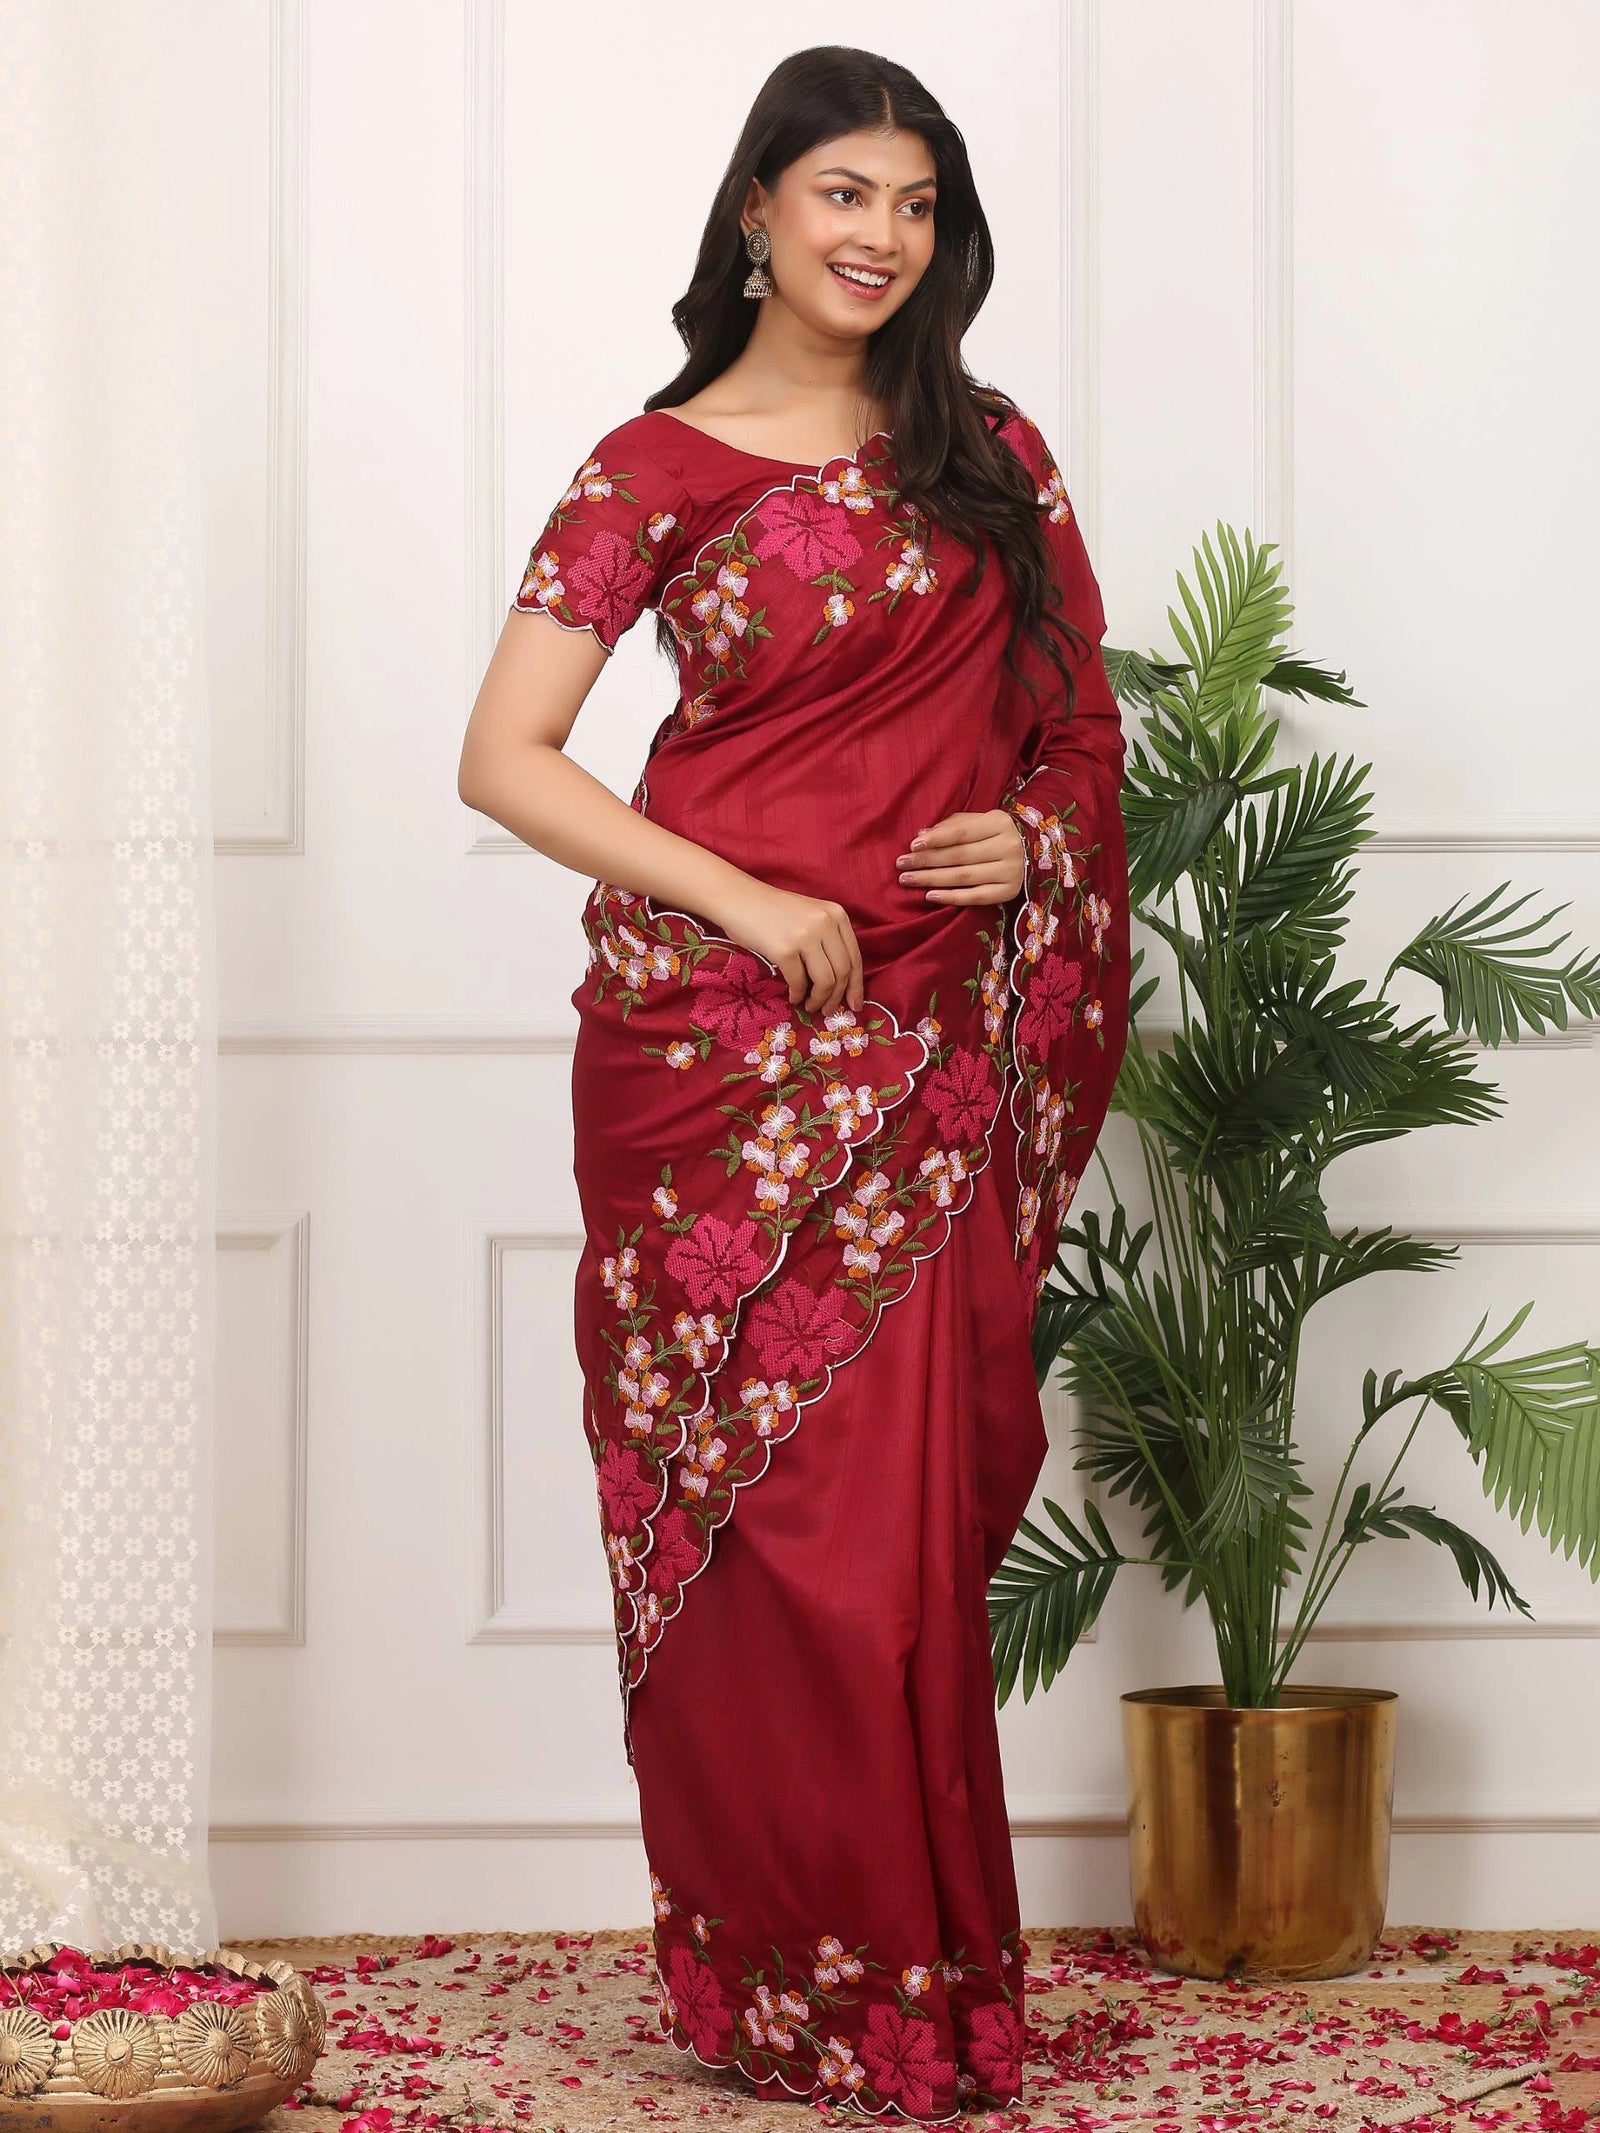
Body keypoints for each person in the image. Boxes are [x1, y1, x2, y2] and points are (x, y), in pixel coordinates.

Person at [457, 43, 1129, 2123]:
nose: (878, 237)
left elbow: (1079, 738)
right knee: (755, 1541)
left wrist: (1027, 845)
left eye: (914, 204)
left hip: (926, 1046)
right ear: (753, 208)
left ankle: (909, 1986)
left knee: (895, 1543)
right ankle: (780, 1977)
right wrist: (742, 900)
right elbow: (508, 756)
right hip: (711, 1061)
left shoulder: (985, 454)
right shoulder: (647, 470)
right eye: (841, 191)